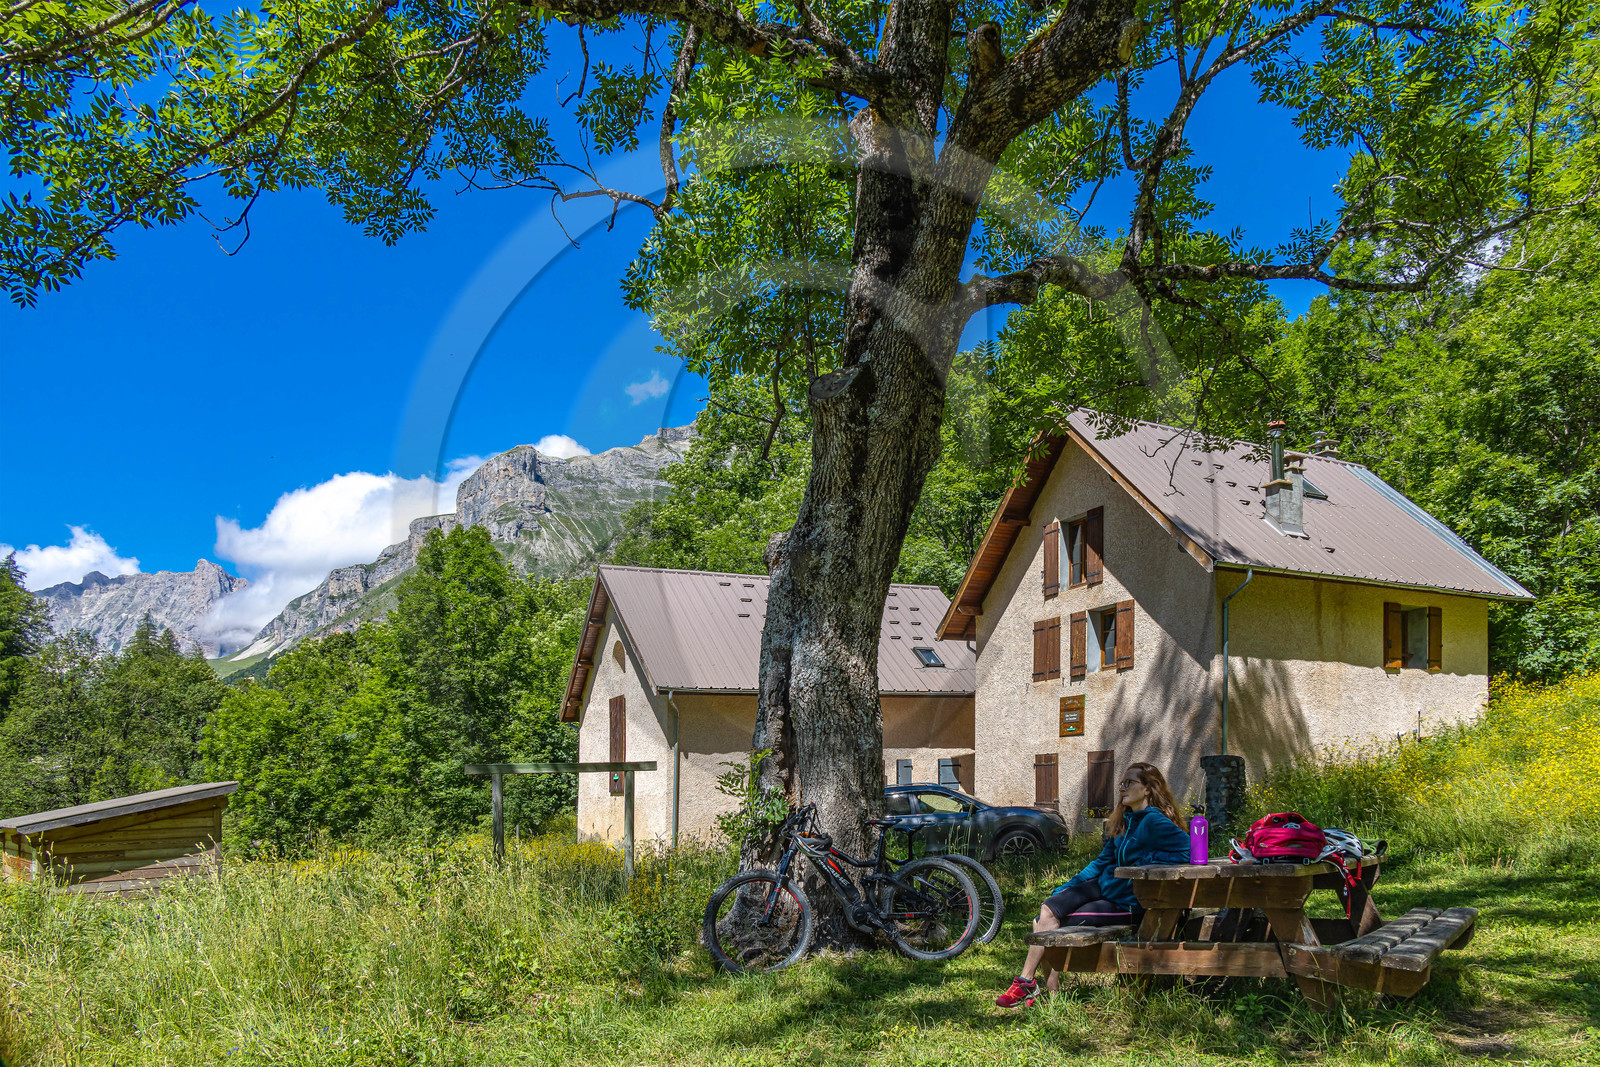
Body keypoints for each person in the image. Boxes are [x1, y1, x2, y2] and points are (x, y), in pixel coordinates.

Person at [995, 761, 1190, 1008]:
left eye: (1129, 783)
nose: (1122, 787)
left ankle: (1035, 989)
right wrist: (1069, 886)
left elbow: (1191, 850)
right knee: (1046, 911)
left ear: (1148, 789)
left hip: (1128, 901)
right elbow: (1101, 863)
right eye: (1122, 783)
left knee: (1043, 924)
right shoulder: (1124, 821)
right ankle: (1039, 989)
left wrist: (1146, 861)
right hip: (1105, 888)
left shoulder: (1153, 821)